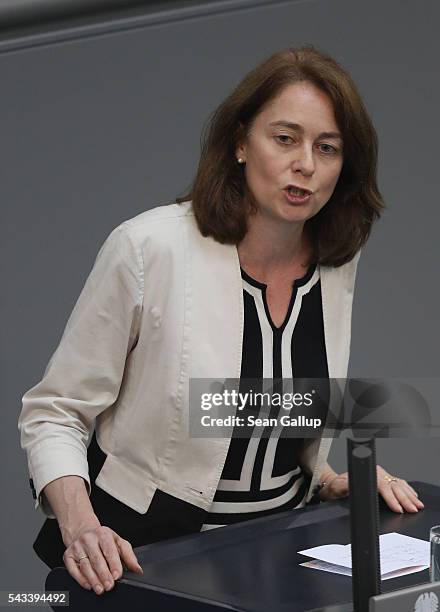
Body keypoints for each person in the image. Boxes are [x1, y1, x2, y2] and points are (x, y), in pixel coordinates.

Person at [18, 45, 424, 597]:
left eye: (326, 148)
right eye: (284, 139)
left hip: (279, 549)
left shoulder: (336, 257)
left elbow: (277, 398)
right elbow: (53, 413)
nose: (305, 162)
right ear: (239, 142)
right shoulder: (148, 248)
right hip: (145, 554)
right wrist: (81, 526)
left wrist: (326, 479)